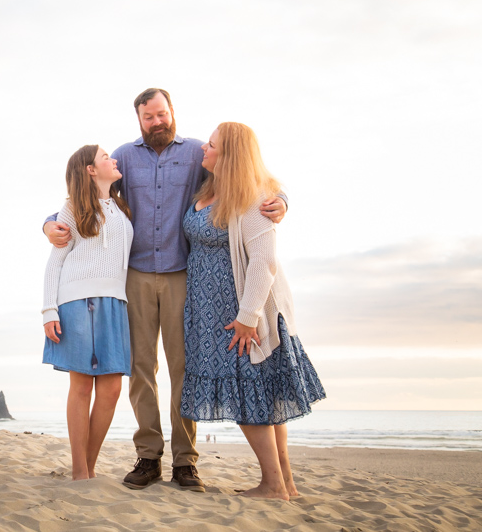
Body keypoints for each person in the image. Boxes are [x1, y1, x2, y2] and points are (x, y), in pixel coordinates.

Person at [44, 89, 287, 491]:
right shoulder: (122, 156)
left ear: (172, 112)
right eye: (148, 117)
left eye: (162, 114)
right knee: (141, 369)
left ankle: (185, 461)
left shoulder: (197, 153)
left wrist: (282, 200)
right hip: (134, 277)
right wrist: (50, 221)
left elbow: (249, 178)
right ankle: (148, 455)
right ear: (138, 119)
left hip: (181, 274)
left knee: (183, 368)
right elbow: (89, 195)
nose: (157, 122)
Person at [181, 122, 325, 499]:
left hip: (239, 312)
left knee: (250, 393)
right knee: (260, 394)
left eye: (211, 146)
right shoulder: (210, 187)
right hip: (210, 311)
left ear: (229, 156)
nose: (203, 151)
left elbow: (264, 262)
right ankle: (284, 483)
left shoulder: (253, 197)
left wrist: (248, 318)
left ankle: (274, 483)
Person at [42, 144, 134, 481]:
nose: (114, 159)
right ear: (91, 170)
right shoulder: (71, 209)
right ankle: (81, 471)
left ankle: (89, 465)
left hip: (116, 302)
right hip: (77, 301)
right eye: (105, 157)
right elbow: (56, 261)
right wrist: (48, 310)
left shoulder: (121, 205)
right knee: (81, 388)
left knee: (111, 390)